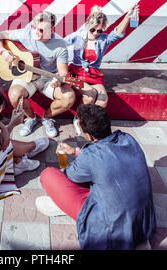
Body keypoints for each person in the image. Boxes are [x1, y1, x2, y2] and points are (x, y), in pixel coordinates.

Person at [36, 104, 156, 250]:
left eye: (79, 126)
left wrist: (64, 159)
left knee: (48, 175)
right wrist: (75, 151)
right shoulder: (127, 138)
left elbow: (69, 176)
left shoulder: (90, 156)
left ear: (89, 135)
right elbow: (106, 158)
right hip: (143, 224)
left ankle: (65, 207)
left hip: (112, 233)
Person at [0, 11, 76, 138]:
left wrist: (58, 80)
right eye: (34, 28)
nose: (36, 32)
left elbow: (63, 71)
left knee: (69, 97)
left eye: (42, 30)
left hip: (48, 78)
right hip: (26, 77)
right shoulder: (27, 32)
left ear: (52, 29)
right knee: (14, 95)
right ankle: (31, 118)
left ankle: (46, 118)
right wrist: (3, 51)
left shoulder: (60, 44)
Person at [64, 3, 138, 135]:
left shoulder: (103, 39)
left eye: (99, 30)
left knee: (103, 100)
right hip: (76, 73)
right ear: (87, 25)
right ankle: (78, 119)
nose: (95, 33)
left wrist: (128, 16)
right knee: (90, 94)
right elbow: (61, 43)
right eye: (93, 30)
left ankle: (88, 121)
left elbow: (117, 34)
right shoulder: (78, 36)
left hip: (93, 74)